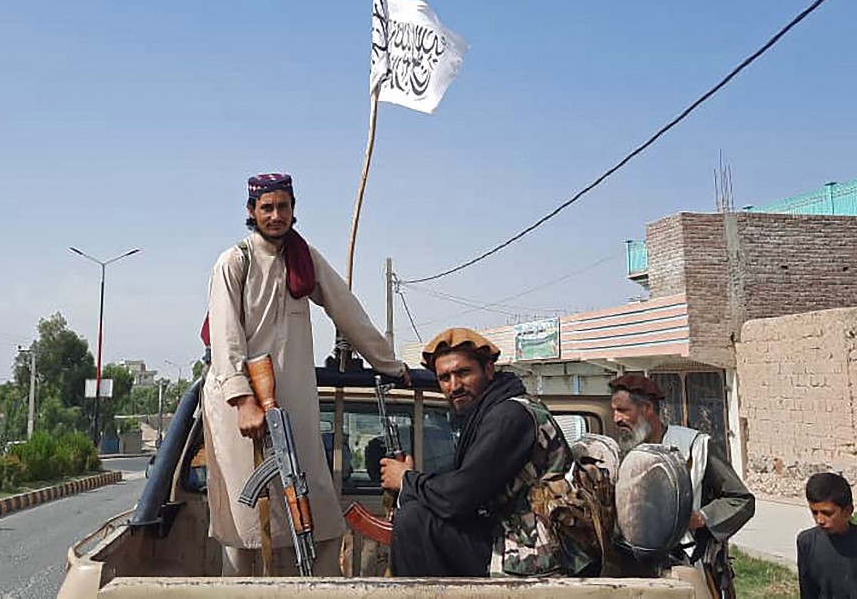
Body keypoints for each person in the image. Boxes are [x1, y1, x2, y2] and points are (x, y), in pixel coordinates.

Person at [203, 172, 409, 577]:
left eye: (283, 206)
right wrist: (243, 400)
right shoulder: (235, 262)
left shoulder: (304, 259)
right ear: (251, 212)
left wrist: (388, 364)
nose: (276, 215)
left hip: (293, 405)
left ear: (294, 210)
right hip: (239, 409)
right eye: (267, 207)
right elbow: (225, 339)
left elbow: (347, 310)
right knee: (244, 525)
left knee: (317, 511)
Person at [381, 327, 596, 578]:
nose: (454, 385)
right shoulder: (486, 415)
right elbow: (461, 485)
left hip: (543, 551)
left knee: (414, 521)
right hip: (514, 534)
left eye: (463, 373)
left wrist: (406, 480)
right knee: (419, 513)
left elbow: (459, 497)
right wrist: (411, 484)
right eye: (445, 378)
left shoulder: (510, 415)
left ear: (489, 370)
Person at [609, 375, 754, 595]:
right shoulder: (621, 453)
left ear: (647, 408)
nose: (616, 418)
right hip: (631, 566)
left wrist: (701, 518)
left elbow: (740, 500)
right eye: (614, 410)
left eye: (623, 410)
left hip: (686, 565)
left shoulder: (695, 447)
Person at [797, 472, 857, 598]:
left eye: (827, 513)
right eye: (814, 512)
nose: (820, 520)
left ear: (848, 511)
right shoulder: (807, 542)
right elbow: (808, 591)